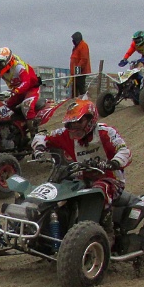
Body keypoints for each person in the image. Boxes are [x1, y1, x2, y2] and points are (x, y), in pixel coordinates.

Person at [32, 99, 131, 242]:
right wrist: (40, 149)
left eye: (78, 122)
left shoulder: (106, 132)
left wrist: (114, 162)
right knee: (56, 190)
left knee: (99, 190)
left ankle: (107, 233)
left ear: (91, 119)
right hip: (81, 179)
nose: (74, 127)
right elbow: (41, 135)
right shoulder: (65, 134)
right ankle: (50, 233)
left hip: (110, 179)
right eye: (71, 123)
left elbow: (124, 150)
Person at [69, 32, 91, 98]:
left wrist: (77, 70)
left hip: (81, 72)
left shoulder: (83, 45)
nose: (73, 41)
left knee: (81, 88)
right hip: (75, 73)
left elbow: (84, 59)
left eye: (74, 40)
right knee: (74, 89)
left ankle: (83, 101)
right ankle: (74, 100)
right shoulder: (76, 47)